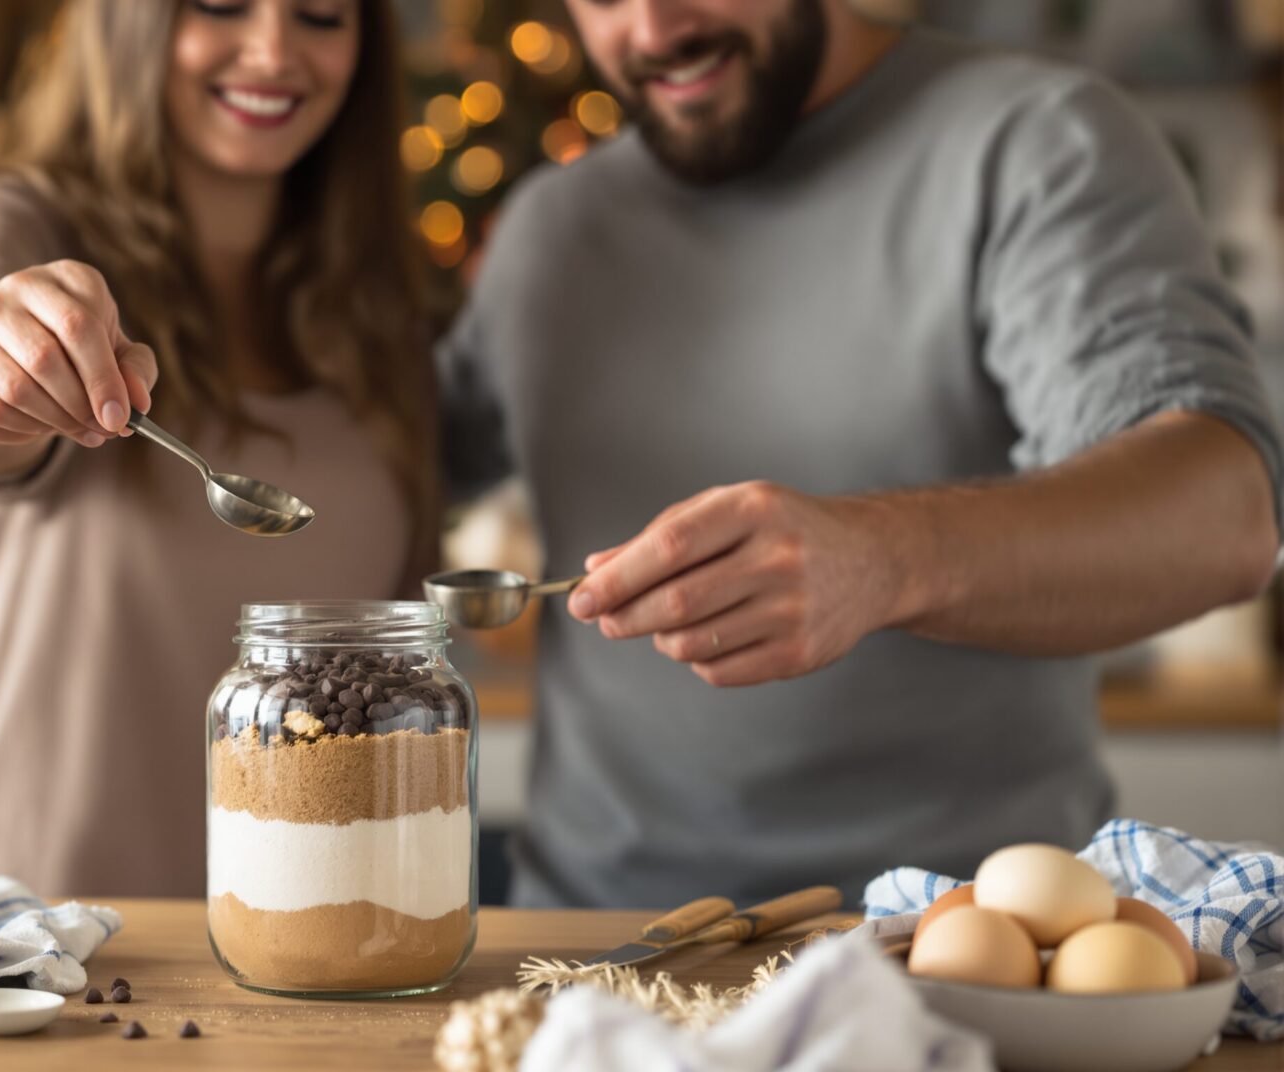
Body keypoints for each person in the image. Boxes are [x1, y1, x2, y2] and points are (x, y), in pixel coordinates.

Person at [440, 0, 1284, 908]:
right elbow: (375, 472)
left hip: (954, 961)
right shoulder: (550, 225)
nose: (651, 31)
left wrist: (885, 561)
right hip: (585, 962)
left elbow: (1224, 517)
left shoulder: (1033, 144)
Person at [0, 0, 436, 896]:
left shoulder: (376, 310)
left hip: (298, 921)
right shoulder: (13, 222)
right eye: (219, 5)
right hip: (16, 920)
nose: (272, 51)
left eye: (322, 14)